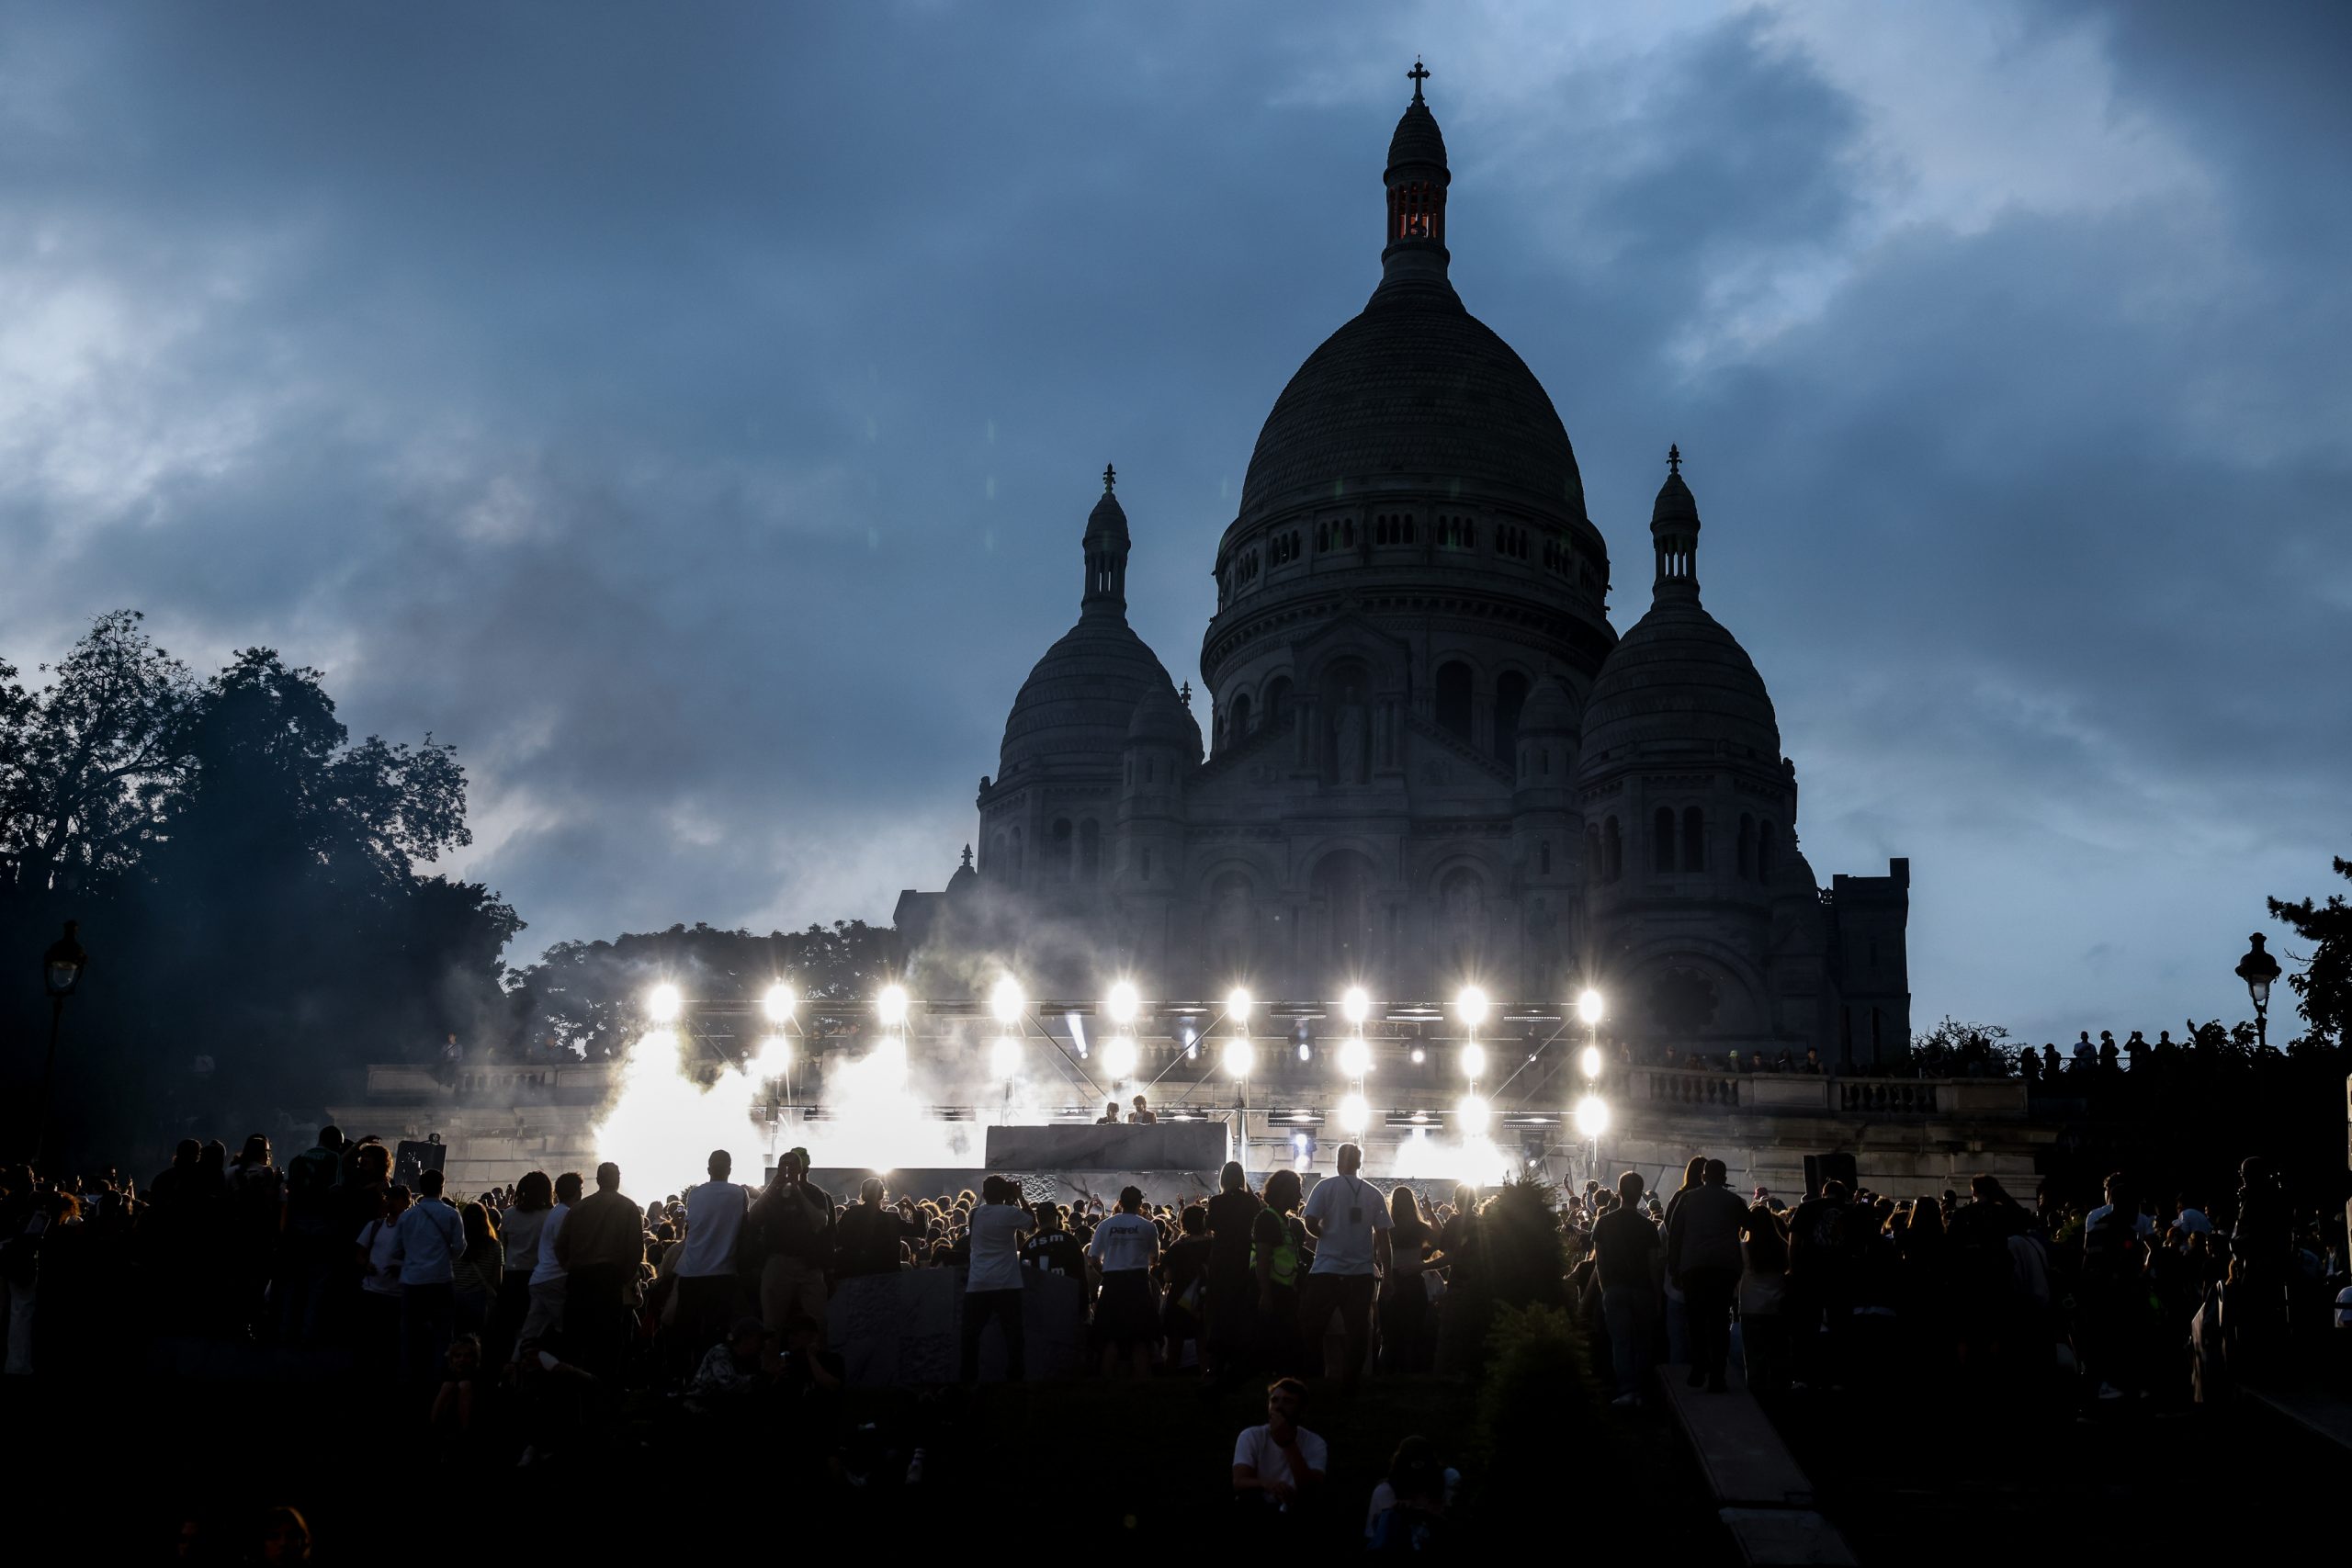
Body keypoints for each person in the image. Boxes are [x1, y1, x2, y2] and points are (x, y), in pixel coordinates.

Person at [1300, 1143, 1391, 1393]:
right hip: (1361, 1273)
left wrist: (1324, 1235)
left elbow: (1308, 1221)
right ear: (1360, 1164)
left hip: (1325, 1269)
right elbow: (1383, 1237)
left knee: (1312, 1328)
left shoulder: (1324, 1187)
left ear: (1338, 1163)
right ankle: (1350, 1385)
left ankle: (1312, 1381)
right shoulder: (1374, 1194)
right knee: (1358, 1331)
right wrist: (1388, 1275)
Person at [1667, 1157, 1750, 1393]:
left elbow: (1675, 1235)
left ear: (1703, 1176)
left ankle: (1699, 1364)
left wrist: (1674, 1267)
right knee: (1719, 1321)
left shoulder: (1687, 1199)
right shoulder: (1733, 1201)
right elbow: (1752, 1224)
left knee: (1696, 1320)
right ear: (1724, 1178)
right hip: (1725, 1267)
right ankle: (1717, 1375)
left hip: (1693, 1266)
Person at [553, 1162, 644, 1376]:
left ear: (598, 1180)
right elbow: (636, 1250)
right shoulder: (628, 1207)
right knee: (607, 1344)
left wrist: (569, 1267)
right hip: (609, 1282)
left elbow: (560, 1246)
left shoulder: (579, 1208)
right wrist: (623, 1277)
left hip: (578, 1281)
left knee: (576, 1342)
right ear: (617, 1179)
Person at [674, 1150, 751, 1362]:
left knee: (687, 1331)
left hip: (691, 1272)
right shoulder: (738, 1193)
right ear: (729, 1170)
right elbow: (745, 1227)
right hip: (722, 1273)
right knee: (716, 1334)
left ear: (709, 1169)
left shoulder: (695, 1194)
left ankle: (684, 1379)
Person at [1593, 1170, 1661, 1405]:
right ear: (1641, 1195)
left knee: (1620, 1343)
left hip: (1614, 1289)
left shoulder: (1603, 1222)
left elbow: (1599, 1262)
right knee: (1643, 1343)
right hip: (1643, 1289)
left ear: (1619, 1192)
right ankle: (1642, 1391)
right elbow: (1653, 1264)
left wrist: (1605, 1290)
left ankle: (1627, 1390)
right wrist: (1657, 1296)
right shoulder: (1649, 1227)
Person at [752, 1148, 834, 1340]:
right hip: (778, 1261)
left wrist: (798, 1191)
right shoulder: (772, 1193)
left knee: (817, 1322)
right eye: (783, 1165)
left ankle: (815, 1359)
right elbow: (753, 1218)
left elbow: (820, 1223)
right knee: (772, 1324)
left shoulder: (815, 1193)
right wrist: (773, 1185)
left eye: (792, 1165)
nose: (788, 1169)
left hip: (808, 1265)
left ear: (801, 1168)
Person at [961, 1174, 1035, 1382]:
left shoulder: (974, 1214)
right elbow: (1032, 1224)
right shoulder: (1010, 1213)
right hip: (1006, 1283)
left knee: (970, 1336)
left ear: (984, 1193)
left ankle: (969, 1379)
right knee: (1013, 1337)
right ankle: (1014, 1378)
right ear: (1005, 1193)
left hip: (978, 1283)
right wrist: (1020, 1197)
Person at [1089, 1185, 1161, 1378]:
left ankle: (1107, 1387)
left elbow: (1093, 1257)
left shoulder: (1105, 1225)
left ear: (1119, 1203)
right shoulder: (1148, 1226)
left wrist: (1107, 1274)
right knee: (1141, 1338)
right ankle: (1142, 1388)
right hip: (1138, 1283)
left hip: (1113, 1283)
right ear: (1140, 1204)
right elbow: (1154, 1258)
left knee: (1110, 1337)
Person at [1232, 1377, 1325, 1516]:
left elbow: (1311, 1489)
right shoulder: (1251, 1436)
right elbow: (1239, 1481)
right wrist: (1267, 1485)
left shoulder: (1315, 1442)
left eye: (1288, 1401)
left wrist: (1287, 1443)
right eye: (1274, 1400)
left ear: (1302, 1409)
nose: (1278, 1406)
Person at [1204, 1163, 1261, 1373]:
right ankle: (1241, 1356)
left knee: (1220, 1308)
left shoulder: (1217, 1201)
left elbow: (1210, 1226)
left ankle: (1218, 1357)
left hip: (1221, 1258)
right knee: (1242, 1306)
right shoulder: (1251, 1201)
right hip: (1244, 1257)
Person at [1379, 1184, 1433, 1374]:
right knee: (1414, 1332)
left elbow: (1374, 1254)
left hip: (1390, 1280)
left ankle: (1386, 1374)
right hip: (1414, 1281)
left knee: (1389, 1334)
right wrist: (1430, 1212)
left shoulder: (1385, 1229)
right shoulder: (1420, 1228)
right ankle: (1413, 1374)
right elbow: (1443, 1240)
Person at [836, 1178, 922, 1277]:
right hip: (886, 1275)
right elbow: (918, 1231)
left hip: (854, 1273)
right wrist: (913, 1210)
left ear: (863, 1194)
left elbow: (836, 1239)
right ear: (881, 1195)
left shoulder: (849, 1215)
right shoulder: (891, 1219)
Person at [1163, 1203, 1214, 1369]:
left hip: (1179, 1300)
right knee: (1203, 1346)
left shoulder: (1176, 1247)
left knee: (1174, 1348)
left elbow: (1168, 1277)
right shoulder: (1214, 1246)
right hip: (1205, 1300)